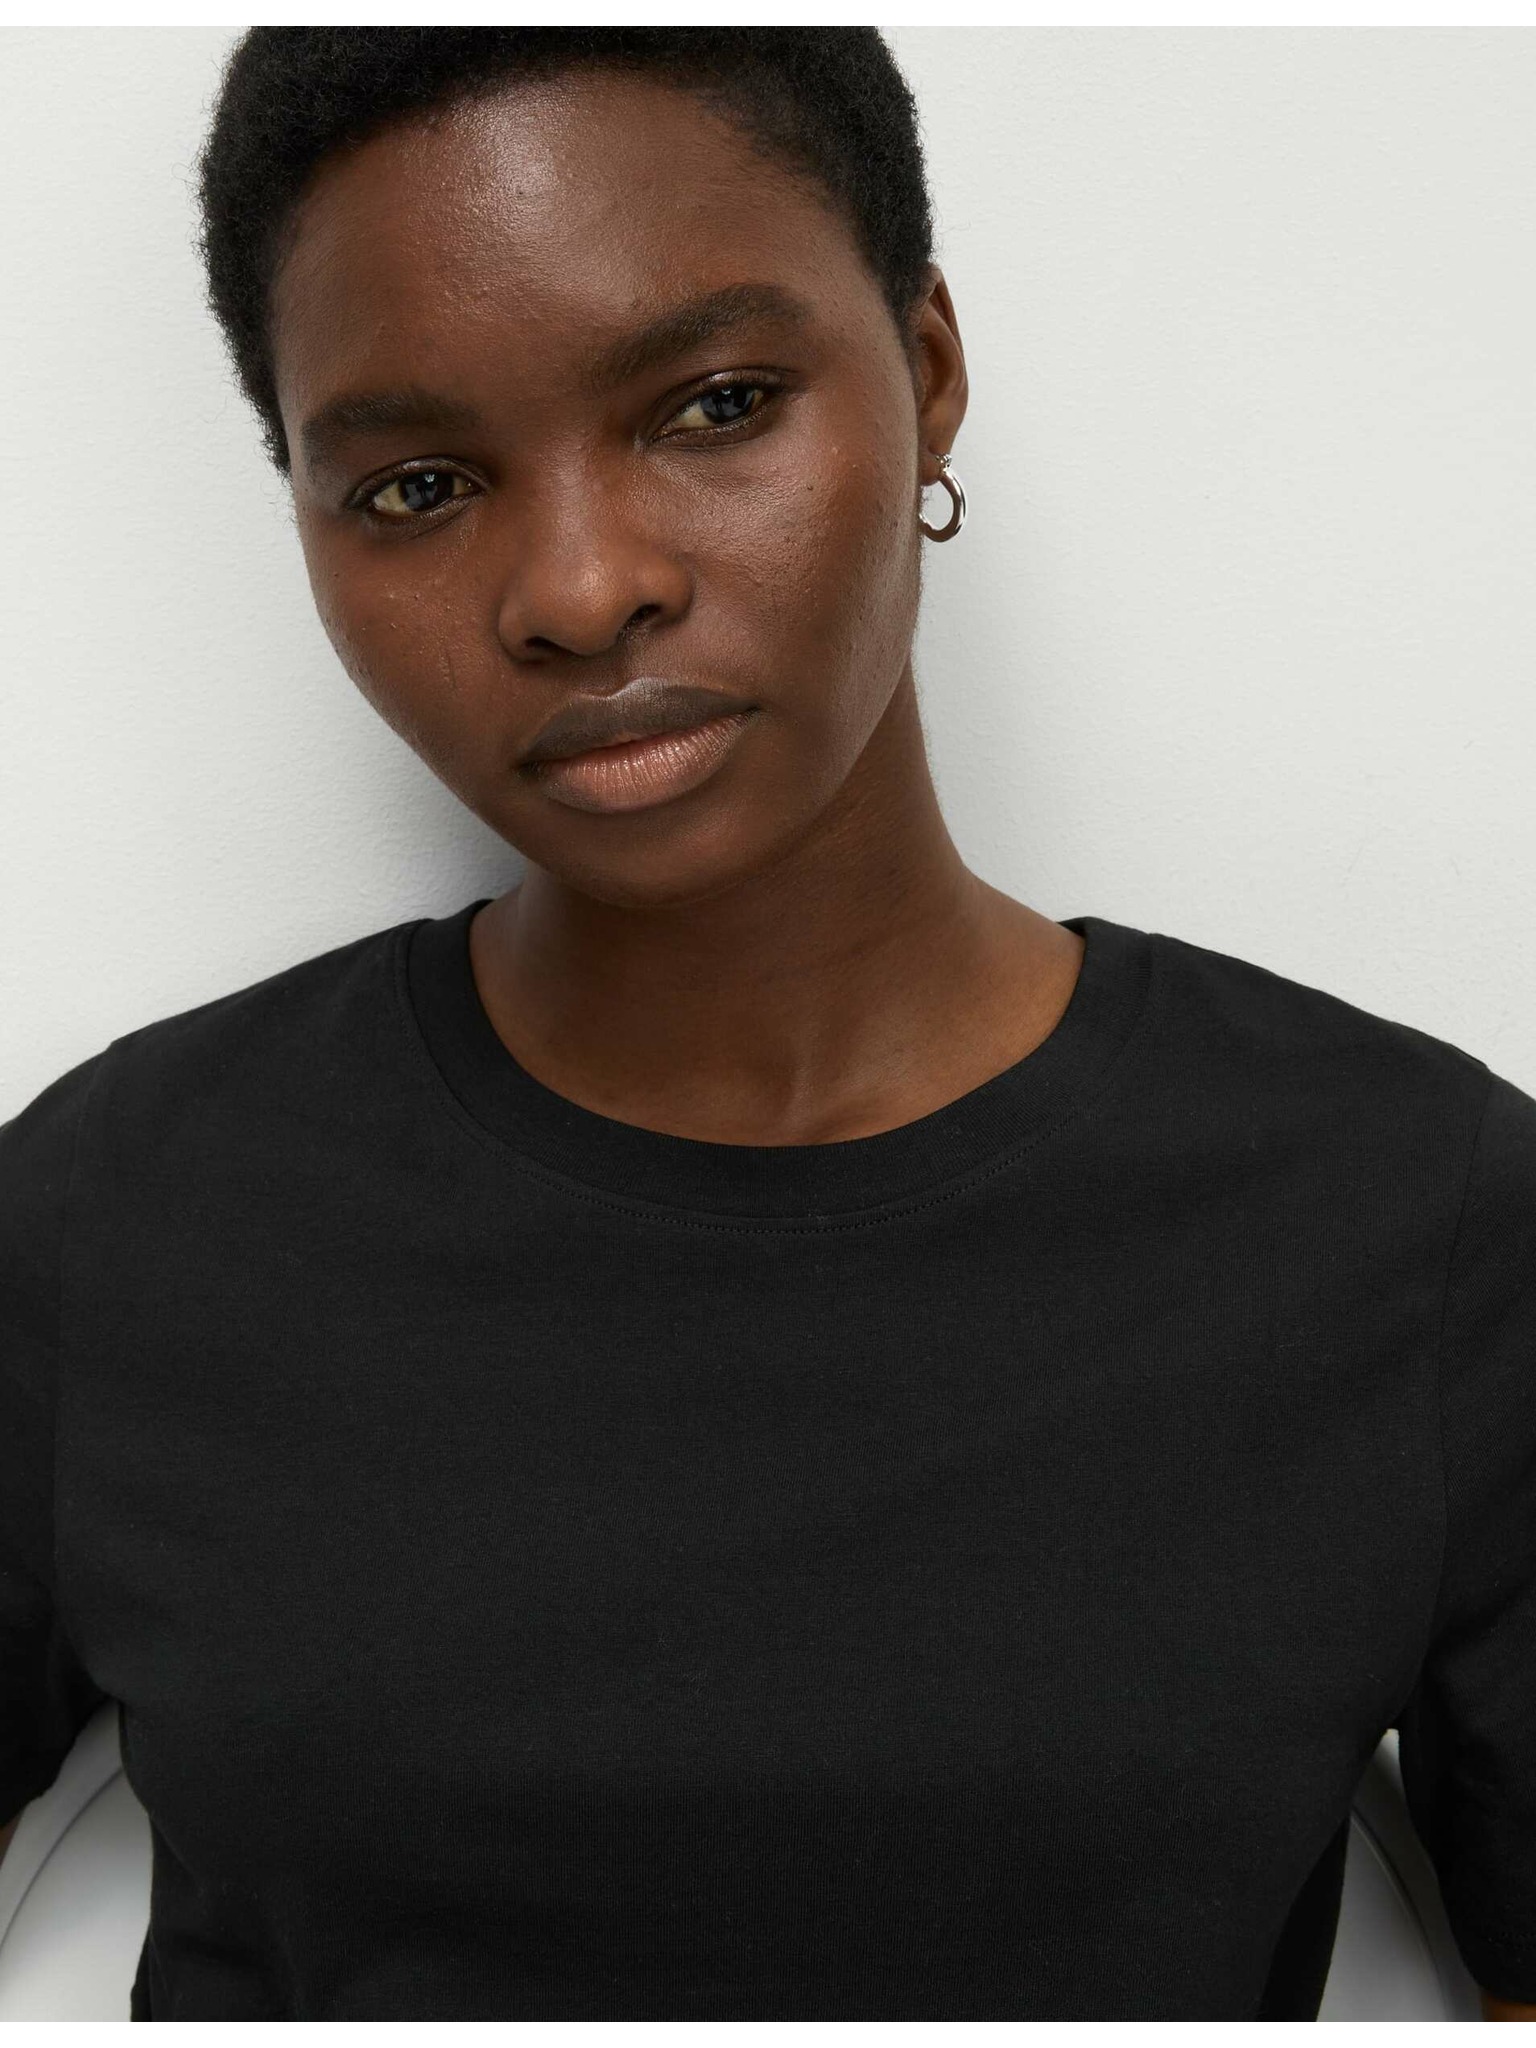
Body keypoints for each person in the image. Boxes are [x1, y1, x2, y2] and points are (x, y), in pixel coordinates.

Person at [1, 27, 1532, 2023]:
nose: (581, 590)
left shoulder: (1415, 1218)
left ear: (930, 371)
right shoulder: (119, 1220)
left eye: (713, 405)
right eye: (418, 484)